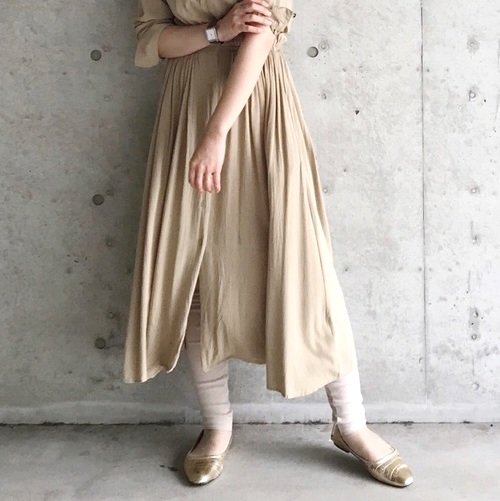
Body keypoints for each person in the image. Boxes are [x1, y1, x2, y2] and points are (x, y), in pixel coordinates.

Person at [123, 0, 414, 488]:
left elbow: (262, 32)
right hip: (186, 109)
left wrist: (217, 132)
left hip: (258, 107)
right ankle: (217, 426)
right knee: (194, 270)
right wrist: (215, 32)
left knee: (305, 266)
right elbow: (154, 38)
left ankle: (351, 425)